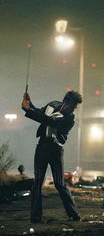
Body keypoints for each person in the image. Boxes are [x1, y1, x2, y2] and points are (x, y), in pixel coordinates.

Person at [21, 90, 82, 223]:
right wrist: (29, 105)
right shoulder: (52, 104)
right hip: (42, 146)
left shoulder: (69, 119)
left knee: (59, 184)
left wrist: (28, 110)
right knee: (37, 182)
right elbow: (40, 112)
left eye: (75, 107)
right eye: (72, 106)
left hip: (56, 149)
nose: (73, 109)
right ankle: (35, 217)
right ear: (65, 102)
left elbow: (48, 120)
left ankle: (73, 214)